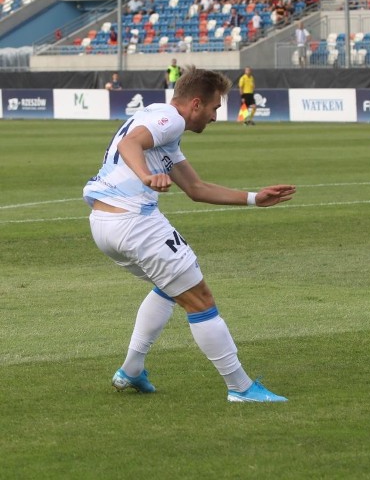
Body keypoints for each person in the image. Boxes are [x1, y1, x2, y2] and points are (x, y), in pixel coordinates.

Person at [83, 66, 296, 403]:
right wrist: (146, 177)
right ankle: (240, 388)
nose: (215, 117)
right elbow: (129, 144)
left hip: (103, 224)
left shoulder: (163, 127)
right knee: (200, 298)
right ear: (195, 104)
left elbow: (196, 188)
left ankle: (132, 370)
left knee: (171, 287)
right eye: (214, 108)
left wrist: (255, 198)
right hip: (135, 222)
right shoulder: (171, 118)